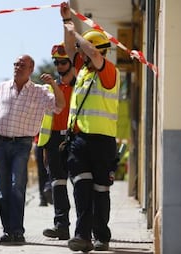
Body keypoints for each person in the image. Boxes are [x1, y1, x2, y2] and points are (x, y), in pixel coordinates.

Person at [0, 54, 65, 244]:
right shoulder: (0, 88)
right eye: (16, 64)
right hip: (0, 143)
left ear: (31, 69)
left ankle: (18, 231)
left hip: (22, 144)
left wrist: (54, 84)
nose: (17, 67)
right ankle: (7, 231)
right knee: (3, 190)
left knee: (16, 187)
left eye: (22, 65)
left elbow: (60, 106)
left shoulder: (39, 92)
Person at [60, 2, 121, 252]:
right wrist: (66, 23)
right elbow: (68, 48)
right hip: (80, 141)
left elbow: (93, 54)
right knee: (82, 190)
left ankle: (101, 236)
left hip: (103, 141)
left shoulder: (108, 71)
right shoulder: (83, 72)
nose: (81, 54)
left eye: (84, 50)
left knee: (100, 191)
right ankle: (82, 236)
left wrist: (76, 34)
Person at [39, 42, 75, 240]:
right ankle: (61, 226)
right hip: (53, 139)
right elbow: (45, 118)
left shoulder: (79, 85)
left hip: (74, 137)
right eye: (56, 62)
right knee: (57, 184)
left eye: (63, 62)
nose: (60, 66)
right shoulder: (50, 88)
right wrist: (45, 146)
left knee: (80, 184)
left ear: (70, 62)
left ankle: (86, 229)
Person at [33, 135, 51, 207]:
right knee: (42, 171)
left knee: (46, 170)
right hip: (40, 143)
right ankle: (44, 196)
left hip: (50, 142)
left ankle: (45, 195)